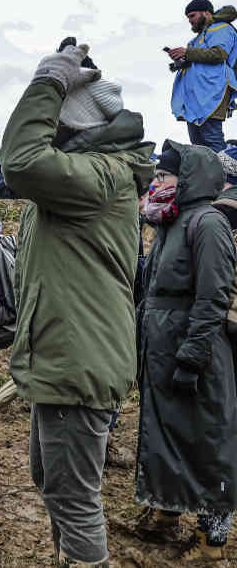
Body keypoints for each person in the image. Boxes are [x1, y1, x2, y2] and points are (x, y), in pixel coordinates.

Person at [0, 42, 155, 566]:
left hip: (77, 361)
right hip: (66, 355)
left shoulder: (100, 177)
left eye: (57, 125)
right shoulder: (90, 179)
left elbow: (20, 160)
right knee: (54, 483)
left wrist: (49, 80)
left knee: (74, 498)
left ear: (76, 128)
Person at [133, 141, 237, 562]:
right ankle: (165, 510)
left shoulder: (207, 224)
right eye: (156, 176)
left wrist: (192, 356)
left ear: (189, 179)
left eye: (165, 176)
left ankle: (215, 539)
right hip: (161, 349)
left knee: (206, 439)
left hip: (193, 352)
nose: (158, 182)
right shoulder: (170, 223)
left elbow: (213, 296)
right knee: (166, 433)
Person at [169, 0, 237, 152]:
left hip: (212, 92)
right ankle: (206, 175)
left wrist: (187, 52)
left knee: (212, 140)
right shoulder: (197, 39)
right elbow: (195, 58)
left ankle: (225, 175)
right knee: (198, 145)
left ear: (206, 13)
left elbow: (219, 54)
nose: (190, 21)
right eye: (188, 18)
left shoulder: (222, 28)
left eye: (192, 16)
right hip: (195, 99)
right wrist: (180, 59)